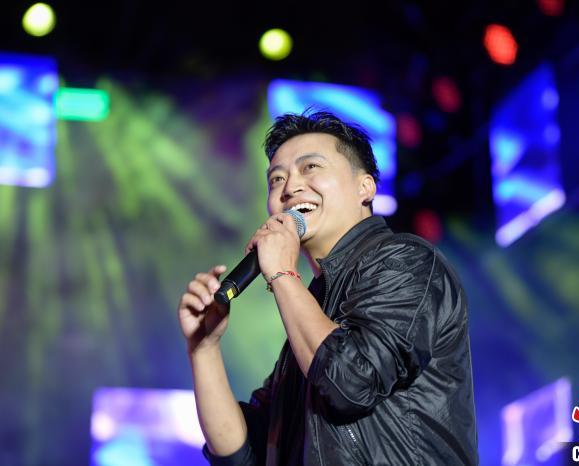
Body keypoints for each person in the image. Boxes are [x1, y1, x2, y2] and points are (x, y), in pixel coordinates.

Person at [177, 111, 479, 465]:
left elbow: (352, 381)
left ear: (365, 187)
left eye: (310, 167)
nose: (289, 188)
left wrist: (282, 273)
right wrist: (204, 349)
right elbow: (245, 454)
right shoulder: (311, 311)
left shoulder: (407, 262)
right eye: (276, 179)